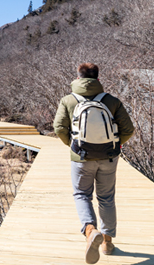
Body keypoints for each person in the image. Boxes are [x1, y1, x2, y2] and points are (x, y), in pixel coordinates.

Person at [53, 63, 134, 264]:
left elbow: (59, 128)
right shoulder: (111, 101)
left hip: (81, 156)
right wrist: (114, 145)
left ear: (78, 78)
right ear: (98, 79)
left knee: (82, 194)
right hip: (108, 157)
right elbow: (128, 129)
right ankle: (107, 243)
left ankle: (90, 231)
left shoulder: (68, 100)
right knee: (106, 198)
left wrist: (73, 146)